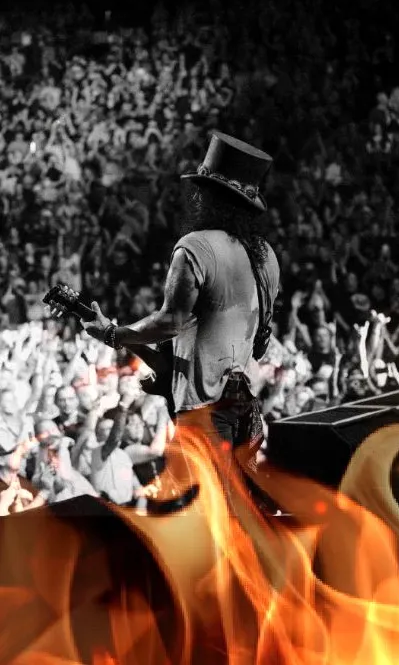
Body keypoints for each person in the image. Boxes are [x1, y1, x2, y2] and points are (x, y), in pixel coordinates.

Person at [51, 131, 280, 509]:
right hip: (245, 411)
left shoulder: (195, 247)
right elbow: (234, 344)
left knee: (208, 523)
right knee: (242, 517)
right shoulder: (265, 256)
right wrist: (133, 345)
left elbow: (170, 322)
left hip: (203, 419)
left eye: (201, 191)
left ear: (209, 197)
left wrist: (112, 333)